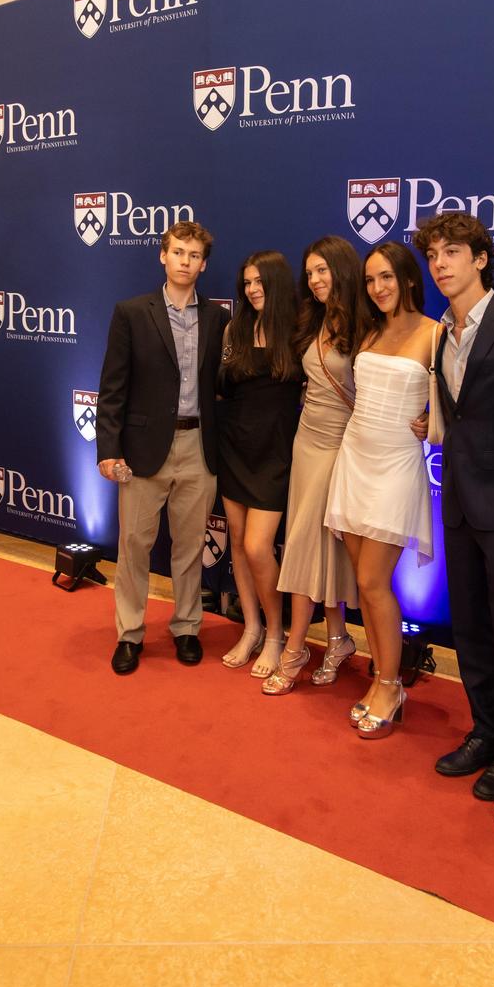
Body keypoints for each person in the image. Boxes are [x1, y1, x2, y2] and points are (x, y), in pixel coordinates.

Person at [415, 212, 494, 801]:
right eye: (433, 256)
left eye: (452, 253)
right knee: (469, 627)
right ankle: (484, 731)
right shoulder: (440, 331)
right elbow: (453, 414)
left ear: (481, 258)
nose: (440, 264)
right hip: (457, 502)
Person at [96, 221, 226, 675]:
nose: (185, 261)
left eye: (194, 255)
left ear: (203, 264)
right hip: (142, 448)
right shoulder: (132, 312)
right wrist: (108, 450)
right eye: (178, 252)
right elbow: (113, 387)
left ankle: (187, 627)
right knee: (134, 545)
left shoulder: (218, 318)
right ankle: (129, 633)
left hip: (199, 446)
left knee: (190, 546)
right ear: (162, 256)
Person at [322, 242, 439, 737]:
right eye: (371, 280)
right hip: (355, 459)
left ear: (409, 279)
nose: (379, 288)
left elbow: (461, 396)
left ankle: (390, 684)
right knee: (364, 587)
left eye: (387, 277)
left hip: (395, 466)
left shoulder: (437, 334)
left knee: (373, 582)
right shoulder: (370, 329)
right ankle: (380, 677)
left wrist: (435, 420)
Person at [268, 237, 365, 695]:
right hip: (306, 443)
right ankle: (339, 638)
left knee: (308, 543)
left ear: (343, 270)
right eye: (310, 273)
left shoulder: (367, 325)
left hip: (339, 450)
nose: (315, 280)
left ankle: (294, 648)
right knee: (320, 547)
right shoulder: (318, 319)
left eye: (323, 270)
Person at [215, 250, 303, 680]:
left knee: (257, 546)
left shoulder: (300, 330)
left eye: (260, 282)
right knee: (236, 541)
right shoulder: (236, 326)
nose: (252, 290)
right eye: (247, 283)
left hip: (276, 453)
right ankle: (250, 628)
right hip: (235, 446)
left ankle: (275, 633)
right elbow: (221, 387)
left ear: (277, 283)